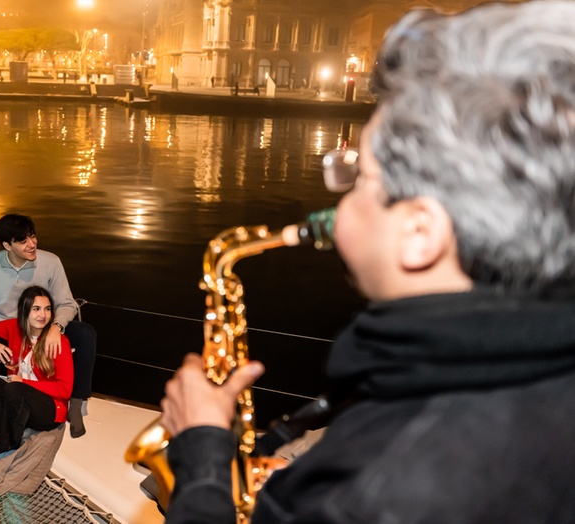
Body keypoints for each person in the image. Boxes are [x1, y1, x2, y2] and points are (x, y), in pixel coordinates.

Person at [161, 2, 575, 522]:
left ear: (420, 233)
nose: (338, 200)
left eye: (360, 176)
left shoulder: (380, 491)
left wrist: (203, 457)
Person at [0, 213, 96, 439]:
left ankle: (77, 403)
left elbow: (67, 303)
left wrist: (56, 327)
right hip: (5, 327)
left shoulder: (51, 262)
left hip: (42, 322)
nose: (32, 244)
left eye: (33, 237)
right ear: (7, 245)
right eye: (23, 241)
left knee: (86, 334)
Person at [0, 286, 73, 470]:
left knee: (14, 388)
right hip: (18, 398)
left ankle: (6, 447)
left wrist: (24, 382)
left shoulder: (59, 342)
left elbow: (65, 390)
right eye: (36, 309)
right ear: (25, 311)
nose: (43, 315)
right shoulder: (15, 328)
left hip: (49, 409)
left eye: (47, 309)